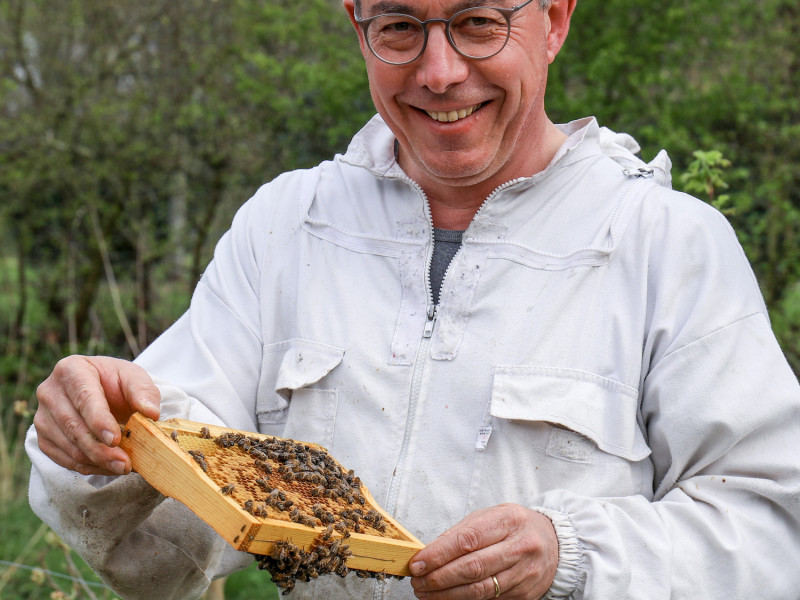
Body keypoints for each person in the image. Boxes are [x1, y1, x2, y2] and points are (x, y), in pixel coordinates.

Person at [26, 0, 800, 598]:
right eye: (399, 27)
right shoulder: (287, 226)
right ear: (357, 26)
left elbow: (776, 532)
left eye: (478, 23)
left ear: (555, 19)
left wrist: (574, 554)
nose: (438, 71)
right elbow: (170, 534)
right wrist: (106, 434)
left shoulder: (666, 244)